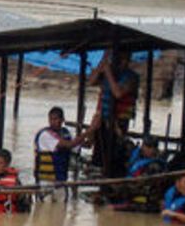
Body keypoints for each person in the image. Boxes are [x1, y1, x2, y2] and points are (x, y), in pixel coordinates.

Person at [88, 48, 139, 178]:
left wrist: (109, 73)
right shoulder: (107, 73)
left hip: (118, 123)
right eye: (120, 59)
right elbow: (91, 81)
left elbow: (118, 93)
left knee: (114, 156)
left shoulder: (131, 77)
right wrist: (102, 64)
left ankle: (112, 180)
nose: (123, 63)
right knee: (100, 157)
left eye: (125, 60)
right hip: (103, 120)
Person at [33, 106, 78, 184]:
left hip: (61, 178)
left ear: (62, 120)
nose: (52, 122)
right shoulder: (45, 134)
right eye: (50, 119)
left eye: (55, 119)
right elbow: (70, 144)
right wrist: (91, 130)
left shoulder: (66, 133)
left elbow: (83, 145)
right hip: (46, 180)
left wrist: (92, 132)